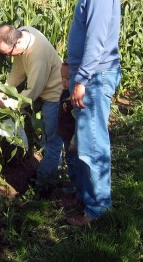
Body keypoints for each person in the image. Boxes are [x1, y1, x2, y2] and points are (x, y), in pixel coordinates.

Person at [61, 0, 122, 226]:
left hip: (95, 78)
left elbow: (96, 39)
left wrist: (81, 79)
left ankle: (98, 212)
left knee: (93, 145)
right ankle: (89, 199)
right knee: (84, 143)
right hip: (90, 76)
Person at [0, 24, 63, 193]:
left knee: (53, 142)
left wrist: (9, 104)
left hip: (54, 96)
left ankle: (44, 185)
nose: (8, 58)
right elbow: (17, 71)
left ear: (17, 43)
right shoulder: (24, 32)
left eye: (8, 54)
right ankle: (51, 172)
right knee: (46, 137)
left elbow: (32, 92)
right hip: (43, 93)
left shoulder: (38, 55)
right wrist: (2, 91)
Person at [57, 62, 78, 194]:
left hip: (73, 141)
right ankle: (74, 184)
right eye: (62, 78)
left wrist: (74, 142)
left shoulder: (75, 100)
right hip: (66, 136)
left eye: (67, 78)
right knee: (70, 161)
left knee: (74, 162)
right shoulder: (66, 93)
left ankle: (76, 187)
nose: (63, 81)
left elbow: (79, 123)